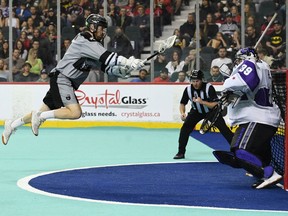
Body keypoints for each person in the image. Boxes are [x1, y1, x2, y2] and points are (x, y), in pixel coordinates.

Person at [1, 14, 144, 145]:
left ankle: (11, 125)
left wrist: (124, 71)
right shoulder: (86, 40)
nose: (104, 32)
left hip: (61, 79)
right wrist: (129, 62)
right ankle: (39, 116)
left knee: (42, 112)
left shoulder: (93, 45)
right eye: (101, 28)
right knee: (75, 113)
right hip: (63, 79)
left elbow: (106, 66)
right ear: (93, 27)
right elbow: (109, 58)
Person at [213, 47, 282, 189]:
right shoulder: (263, 67)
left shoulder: (252, 64)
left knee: (240, 150)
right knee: (255, 150)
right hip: (264, 118)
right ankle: (260, 170)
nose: (237, 63)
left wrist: (228, 84)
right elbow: (249, 88)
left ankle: (268, 174)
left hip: (257, 118)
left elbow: (247, 82)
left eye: (239, 60)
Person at [173, 69, 233, 159]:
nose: (195, 83)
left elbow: (215, 104)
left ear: (202, 80)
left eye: (197, 81)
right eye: (193, 81)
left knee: (224, 129)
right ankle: (181, 152)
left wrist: (202, 102)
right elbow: (182, 104)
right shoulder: (188, 90)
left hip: (211, 111)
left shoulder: (209, 88)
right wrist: (182, 113)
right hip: (196, 111)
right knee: (185, 129)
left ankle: (237, 150)